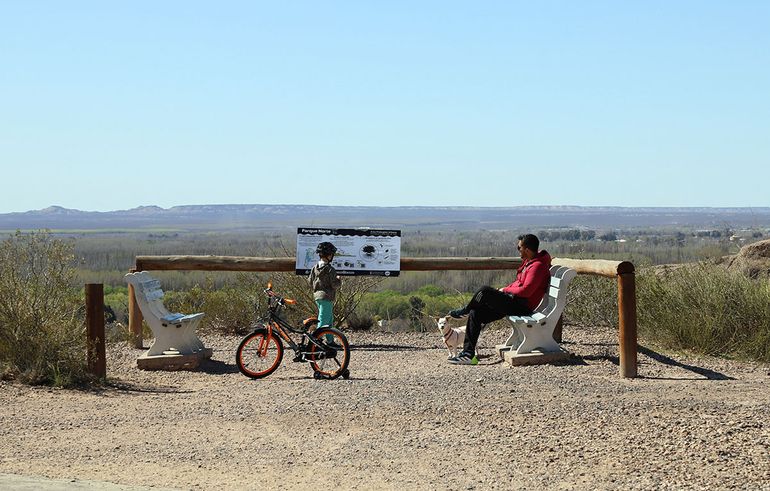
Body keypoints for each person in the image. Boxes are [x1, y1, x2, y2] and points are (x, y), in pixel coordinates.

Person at [447, 233, 551, 365]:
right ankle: (468, 354)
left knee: (484, 291)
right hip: (514, 302)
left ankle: (465, 310)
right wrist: (504, 289)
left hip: (521, 306)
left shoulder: (537, 266)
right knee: (476, 313)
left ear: (527, 250)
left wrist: (505, 290)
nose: (517, 249)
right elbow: (519, 284)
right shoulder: (531, 262)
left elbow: (526, 291)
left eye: (519, 247)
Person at [308, 241, 342, 333]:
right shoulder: (330, 269)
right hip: (327, 297)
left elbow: (310, 281)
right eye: (331, 254)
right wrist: (338, 279)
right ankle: (316, 341)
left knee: (329, 320)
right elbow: (335, 285)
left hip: (317, 296)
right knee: (323, 320)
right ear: (329, 255)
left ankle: (330, 341)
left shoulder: (314, 268)